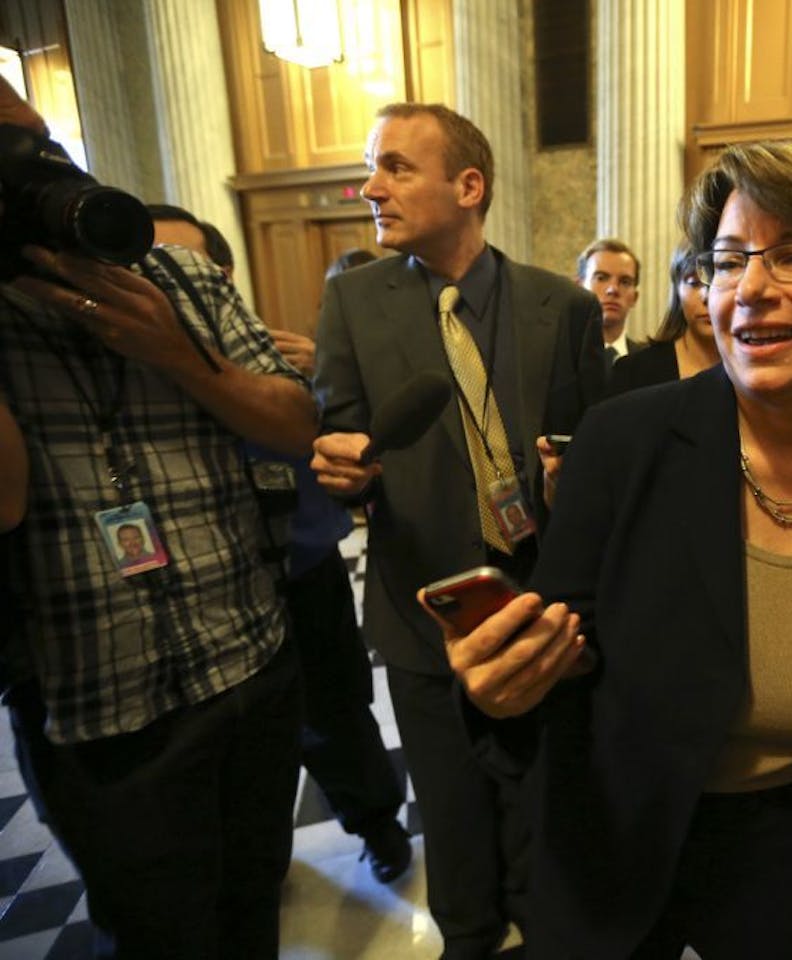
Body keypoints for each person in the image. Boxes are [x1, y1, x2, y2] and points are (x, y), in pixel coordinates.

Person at [439, 138, 792, 959]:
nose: (749, 289)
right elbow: (564, 660)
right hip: (621, 835)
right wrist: (506, 691)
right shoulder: (623, 440)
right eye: (728, 260)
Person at [0, 79, 315, 956]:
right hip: (103, 711)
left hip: (249, 658)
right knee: (160, 936)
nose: (36, 168)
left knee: (253, 907)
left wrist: (180, 356)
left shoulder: (172, 273)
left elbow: (296, 422)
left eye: (39, 139)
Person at [310, 102, 605, 956]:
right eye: (372, 168)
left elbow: (592, 463)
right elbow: (337, 445)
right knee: (456, 825)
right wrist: (341, 470)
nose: (371, 188)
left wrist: (573, 483)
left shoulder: (562, 307)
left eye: (396, 167)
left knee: (547, 815)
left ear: (468, 186)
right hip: (423, 619)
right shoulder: (353, 302)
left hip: (544, 610)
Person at [146, 213, 414, 884]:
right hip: (192, 588)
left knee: (335, 715)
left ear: (221, 277)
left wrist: (316, 387)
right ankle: (250, 862)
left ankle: (378, 825)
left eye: (178, 266)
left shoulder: (278, 357)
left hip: (298, 568)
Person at [605, 241, 720, 397]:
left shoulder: (755, 369)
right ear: (677, 291)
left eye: (718, 282)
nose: (707, 296)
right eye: (694, 283)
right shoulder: (634, 371)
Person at [575, 237, 643, 370]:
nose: (613, 289)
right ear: (579, 288)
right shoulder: (561, 358)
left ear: (635, 297)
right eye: (601, 278)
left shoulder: (647, 362)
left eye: (625, 281)